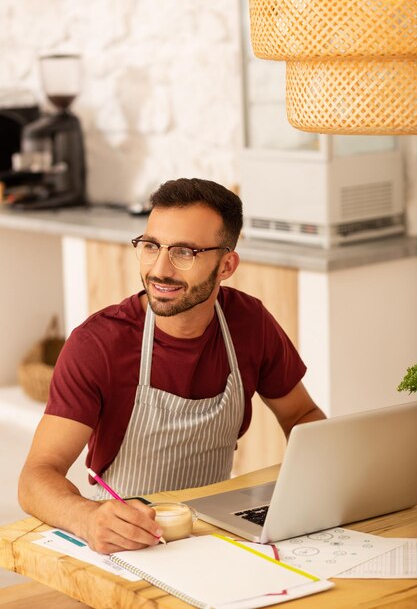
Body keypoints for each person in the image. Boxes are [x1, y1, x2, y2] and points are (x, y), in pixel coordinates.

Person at [18, 177, 325, 554]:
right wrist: (86, 517)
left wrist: (320, 489)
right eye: (150, 246)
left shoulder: (249, 322)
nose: (160, 269)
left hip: (214, 537)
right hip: (125, 542)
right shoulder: (97, 345)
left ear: (226, 264)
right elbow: (36, 477)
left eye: (184, 252)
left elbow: (301, 413)